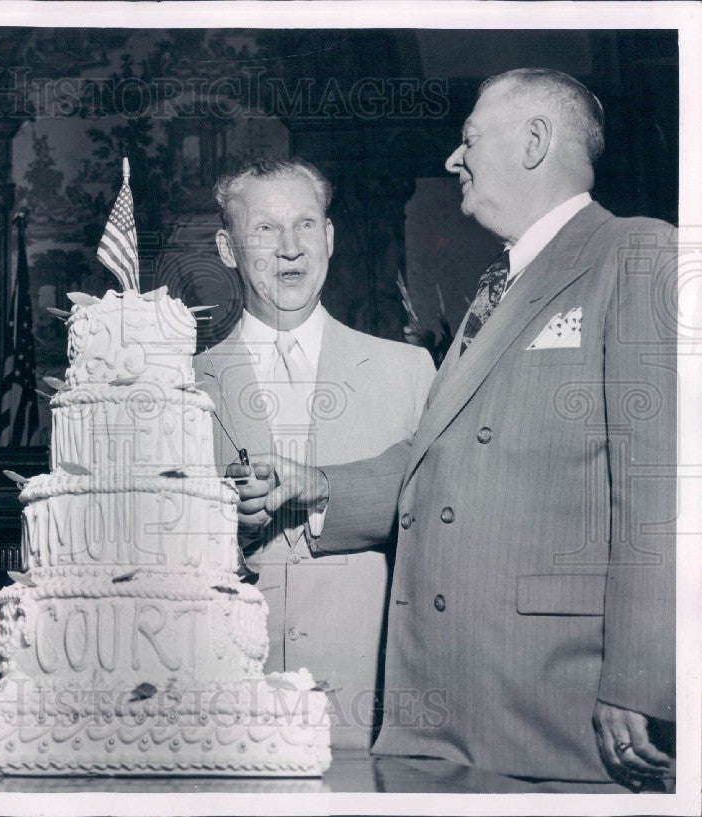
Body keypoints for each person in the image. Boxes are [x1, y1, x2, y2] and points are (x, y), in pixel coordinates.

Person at [235, 69, 676, 789]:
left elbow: (663, 484)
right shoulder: (494, 288)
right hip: (452, 705)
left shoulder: (635, 254)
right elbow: (438, 455)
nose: (452, 158)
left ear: (534, 142)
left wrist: (642, 676)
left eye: (469, 139)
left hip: (555, 705)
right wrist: (318, 486)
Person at [194, 158, 435, 748]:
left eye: (305, 226)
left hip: (366, 707)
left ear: (329, 238)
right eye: (265, 230)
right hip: (221, 707)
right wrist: (220, 525)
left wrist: (324, 489)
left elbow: (436, 516)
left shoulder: (408, 372)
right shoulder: (181, 383)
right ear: (228, 249)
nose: (290, 250)